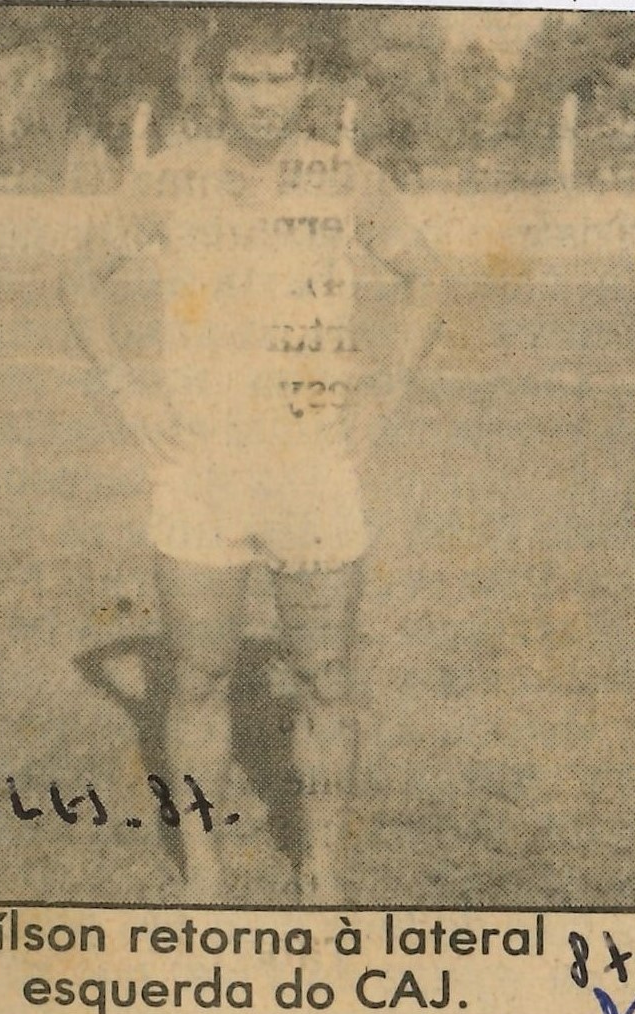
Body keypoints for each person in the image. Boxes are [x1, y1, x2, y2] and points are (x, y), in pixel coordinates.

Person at [61, 11, 442, 902]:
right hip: (202, 468)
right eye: (245, 79)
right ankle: (203, 875)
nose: (264, 99)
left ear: (306, 82)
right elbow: (80, 273)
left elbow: (427, 275)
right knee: (197, 678)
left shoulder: (347, 180)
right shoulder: (171, 178)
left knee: (325, 677)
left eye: (280, 79)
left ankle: (323, 873)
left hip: (312, 466)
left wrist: (385, 393)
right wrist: (126, 389)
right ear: (215, 85)